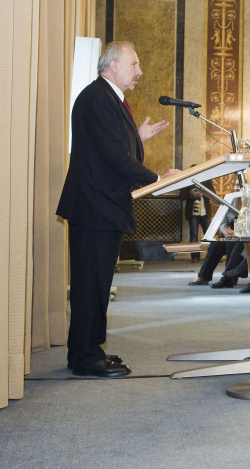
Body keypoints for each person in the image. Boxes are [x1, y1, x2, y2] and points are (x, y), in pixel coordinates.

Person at [56, 41, 179, 378]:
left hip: (101, 206)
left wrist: (137, 137)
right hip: (95, 207)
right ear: (113, 65)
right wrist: (157, 178)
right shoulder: (99, 97)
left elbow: (111, 147)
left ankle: (89, 350)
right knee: (90, 284)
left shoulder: (108, 98)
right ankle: (85, 357)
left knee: (96, 283)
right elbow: (113, 156)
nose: (139, 71)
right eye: (134, 64)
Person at [180, 177, 215, 262]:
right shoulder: (187, 180)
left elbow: (213, 194)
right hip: (192, 214)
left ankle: (213, 256)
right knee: (194, 235)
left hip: (205, 212)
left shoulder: (207, 180)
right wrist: (190, 193)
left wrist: (203, 193)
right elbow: (181, 196)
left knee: (209, 235)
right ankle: (195, 257)